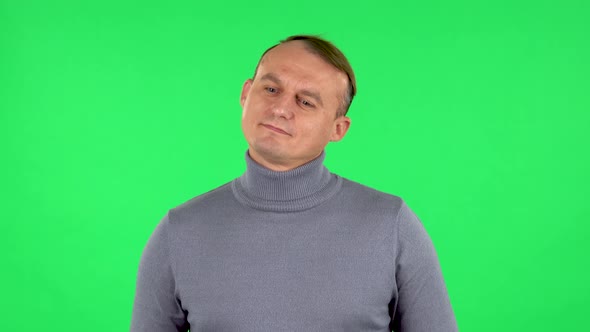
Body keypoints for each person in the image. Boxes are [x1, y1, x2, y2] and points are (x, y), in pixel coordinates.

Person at [130, 35, 458, 332]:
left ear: (338, 129)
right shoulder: (180, 230)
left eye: (306, 101)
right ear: (246, 94)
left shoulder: (391, 224)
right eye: (271, 89)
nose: (281, 108)